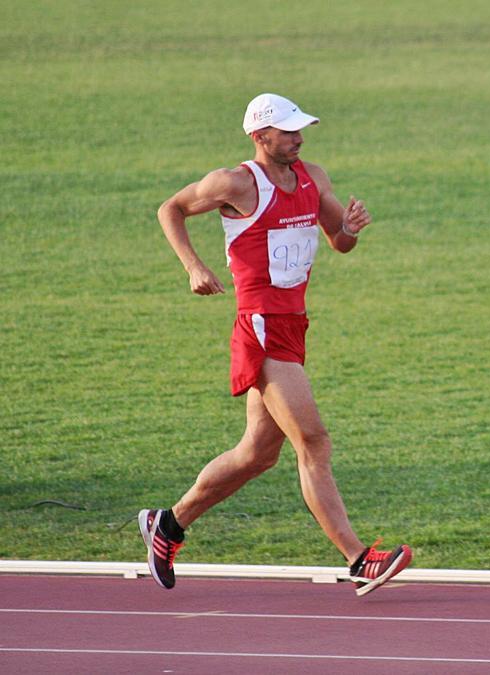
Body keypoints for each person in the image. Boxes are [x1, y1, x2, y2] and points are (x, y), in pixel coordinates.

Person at [142, 93, 411, 596]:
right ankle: (359, 560)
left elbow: (339, 241)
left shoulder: (314, 177)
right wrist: (194, 267)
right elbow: (170, 209)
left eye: (300, 129)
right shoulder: (236, 183)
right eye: (287, 131)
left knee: (257, 455)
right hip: (260, 326)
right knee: (313, 441)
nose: (298, 138)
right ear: (259, 136)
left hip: (294, 323)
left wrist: (350, 229)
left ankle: (169, 525)